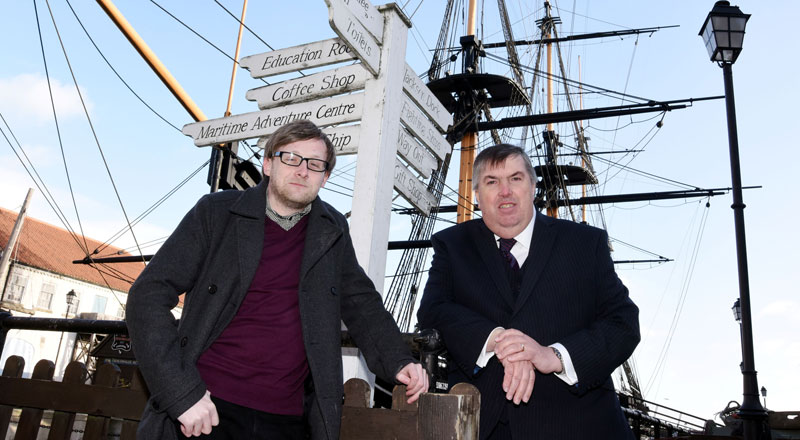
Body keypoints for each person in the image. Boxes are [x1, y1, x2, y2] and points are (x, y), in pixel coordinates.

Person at [126, 119, 427, 440]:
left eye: (315, 164)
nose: (302, 170)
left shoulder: (332, 229)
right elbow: (148, 296)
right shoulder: (217, 213)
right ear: (268, 163)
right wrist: (181, 394)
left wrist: (398, 360)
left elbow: (361, 304)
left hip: (288, 420)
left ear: (325, 177)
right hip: (207, 407)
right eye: (291, 158)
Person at [417, 143, 639, 439]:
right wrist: (497, 340)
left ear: (533, 186)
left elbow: (623, 323)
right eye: (492, 182)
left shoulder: (585, 244)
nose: (505, 191)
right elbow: (433, 311)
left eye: (516, 178)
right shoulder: (452, 245)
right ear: (477, 195)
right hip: (480, 425)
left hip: (579, 423)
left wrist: (553, 356)